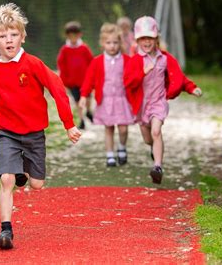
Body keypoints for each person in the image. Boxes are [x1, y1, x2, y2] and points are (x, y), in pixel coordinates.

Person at [0, 3, 82, 250]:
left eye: (13, 35)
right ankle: (5, 231)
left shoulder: (32, 64)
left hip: (34, 134)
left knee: (36, 184)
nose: (8, 40)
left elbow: (57, 90)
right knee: (7, 180)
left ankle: (23, 168)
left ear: (23, 37)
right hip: (7, 134)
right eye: (2, 36)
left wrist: (69, 124)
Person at [124, 16, 202, 184]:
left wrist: (191, 88)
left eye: (150, 38)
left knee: (156, 131)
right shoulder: (135, 61)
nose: (147, 42)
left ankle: (157, 167)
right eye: (143, 38)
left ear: (156, 38)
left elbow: (179, 76)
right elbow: (128, 83)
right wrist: (143, 72)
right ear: (137, 40)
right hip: (141, 106)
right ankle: (154, 148)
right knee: (148, 138)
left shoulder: (165, 58)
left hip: (158, 103)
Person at [79, 23, 135, 167]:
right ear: (103, 43)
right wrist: (84, 96)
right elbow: (89, 80)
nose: (112, 46)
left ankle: (122, 147)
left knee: (123, 128)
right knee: (108, 128)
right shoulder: (97, 61)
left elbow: (135, 77)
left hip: (122, 100)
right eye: (108, 43)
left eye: (115, 42)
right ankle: (110, 155)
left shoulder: (127, 60)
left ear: (120, 43)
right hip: (105, 101)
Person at [57, 21, 94, 129]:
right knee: (77, 101)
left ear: (79, 35)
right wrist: (65, 80)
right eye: (70, 36)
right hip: (72, 82)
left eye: (75, 35)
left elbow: (91, 62)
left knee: (87, 99)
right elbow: (61, 65)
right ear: (67, 36)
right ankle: (82, 119)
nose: (73, 38)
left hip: (85, 81)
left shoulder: (84, 48)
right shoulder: (64, 50)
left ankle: (89, 112)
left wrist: (92, 77)